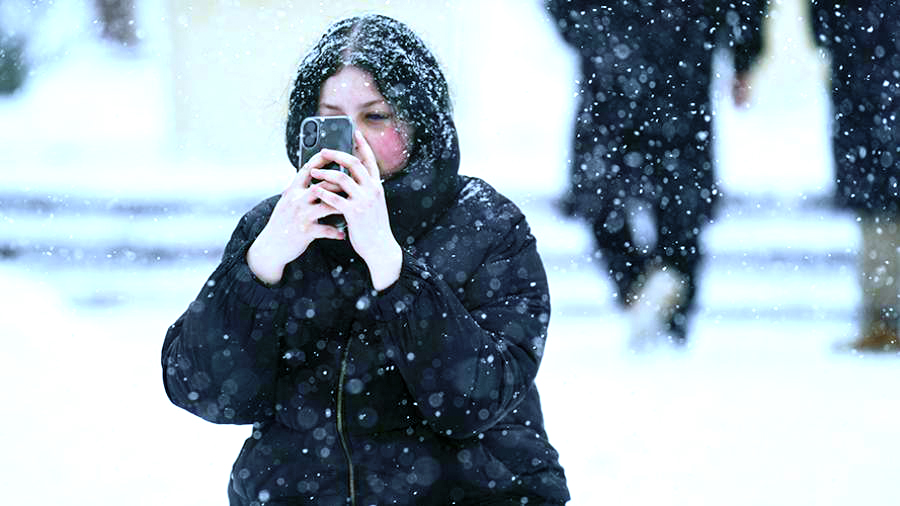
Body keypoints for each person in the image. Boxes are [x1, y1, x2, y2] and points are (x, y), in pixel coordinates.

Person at [161, 14, 570, 506]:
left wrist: (391, 265)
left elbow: (476, 400)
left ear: (420, 123)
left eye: (375, 117)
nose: (352, 140)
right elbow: (205, 391)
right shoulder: (272, 229)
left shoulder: (486, 225)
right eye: (331, 118)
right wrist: (260, 266)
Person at [545, 0, 767, 349]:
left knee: (601, 189)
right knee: (680, 194)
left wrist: (586, 29)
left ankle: (639, 285)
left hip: (616, 51)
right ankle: (669, 293)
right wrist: (744, 52)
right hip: (681, 47)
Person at [809, 1, 900, 352]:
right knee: (879, 218)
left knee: (878, 220)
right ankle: (883, 320)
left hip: (862, 88)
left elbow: (823, 27)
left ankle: (883, 321)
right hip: (866, 90)